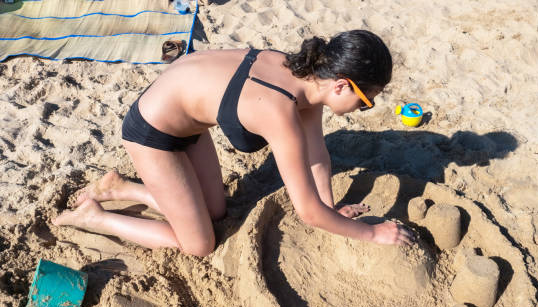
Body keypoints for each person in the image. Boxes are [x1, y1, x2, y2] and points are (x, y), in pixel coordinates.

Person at [53, 30, 416, 257]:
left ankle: (120, 187)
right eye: (366, 100)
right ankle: (95, 216)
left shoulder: (308, 79)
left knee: (215, 213)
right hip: (152, 133)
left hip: (190, 125)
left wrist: (331, 207)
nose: (363, 108)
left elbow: (316, 155)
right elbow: (306, 212)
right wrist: (372, 233)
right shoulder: (279, 111)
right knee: (198, 244)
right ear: (341, 84)